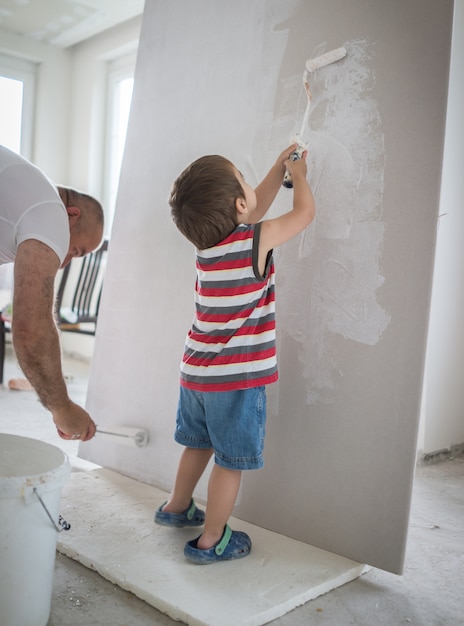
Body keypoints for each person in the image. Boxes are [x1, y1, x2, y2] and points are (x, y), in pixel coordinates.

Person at [155, 144, 315, 564]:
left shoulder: (207, 247)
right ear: (239, 205)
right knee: (229, 461)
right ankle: (212, 540)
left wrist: (274, 166)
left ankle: (176, 507)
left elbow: (252, 207)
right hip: (236, 380)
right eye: (244, 180)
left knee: (198, 445)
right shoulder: (254, 240)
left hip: (196, 374)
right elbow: (302, 216)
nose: (251, 188)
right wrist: (298, 177)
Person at [0, 144, 104, 442]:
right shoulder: (50, 212)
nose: (66, 260)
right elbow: (30, 328)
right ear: (71, 214)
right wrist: (63, 408)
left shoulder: (23, 192)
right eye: (76, 250)